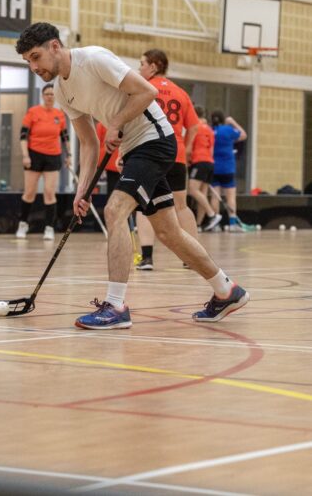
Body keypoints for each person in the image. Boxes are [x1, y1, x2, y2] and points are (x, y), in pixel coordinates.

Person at [15, 22, 249, 329]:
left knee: (115, 210)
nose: (34, 66)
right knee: (168, 232)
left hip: (155, 139)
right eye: (28, 62)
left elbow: (146, 91)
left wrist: (116, 122)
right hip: (134, 149)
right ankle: (226, 290)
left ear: (55, 46)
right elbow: (88, 143)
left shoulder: (94, 58)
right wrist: (81, 190)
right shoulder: (61, 90)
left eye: (36, 57)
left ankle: (115, 306)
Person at [134, 49, 200, 270]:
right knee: (181, 206)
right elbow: (194, 125)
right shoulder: (180, 92)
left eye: (142, 63)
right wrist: (187, 149)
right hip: (176, 154)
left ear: (154, 66)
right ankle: (192, 256)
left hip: (150, 153)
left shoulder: (142, 90)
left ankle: (147, 258)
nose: (139, 68)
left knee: (143, 205)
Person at [16, 83, 71, 240]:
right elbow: (23, 136)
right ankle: (23, 224)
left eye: (53, 94)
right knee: (29, 192)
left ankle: (49, 227)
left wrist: (69, 155)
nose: (50, 97)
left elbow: (65, 137)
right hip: (34, 155)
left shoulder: (59, 115)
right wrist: (25, 155)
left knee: (49, 192)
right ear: (42, 95)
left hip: (53, 156)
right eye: (47, 94)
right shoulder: (33, 112)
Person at [210, 110, 247, 232]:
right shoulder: (228, 130)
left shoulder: (209, 131)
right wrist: (232, 122)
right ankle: (232, 224)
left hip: (214, 167)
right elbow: (243, 135)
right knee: (230, 196)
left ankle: (215, 224)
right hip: (227, 168)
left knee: (215, 196)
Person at [187, 105, 221, 231]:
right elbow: (211, 150)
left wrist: (188, 161)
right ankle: (198, 225)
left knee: (193, 190)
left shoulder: (195, 128)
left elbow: (189, 148)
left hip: (199, 161)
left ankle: (212, 214)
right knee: (202, 194)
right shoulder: (210, 130)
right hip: (210, 162)